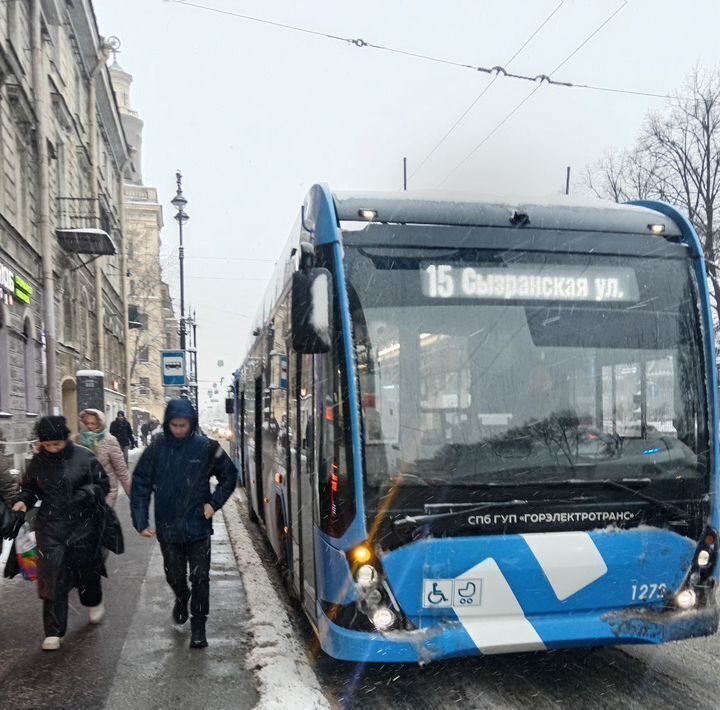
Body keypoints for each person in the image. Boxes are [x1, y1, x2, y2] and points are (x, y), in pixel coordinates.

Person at [130, 399, 237, 649]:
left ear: (192, 423)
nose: (179, 429)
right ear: (168, 424)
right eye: (175, 425)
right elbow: (141, 484)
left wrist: (213, 504)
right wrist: (140, 520)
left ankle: (199, 626)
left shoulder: (207, 448)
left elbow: (229, 475)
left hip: (198, 526)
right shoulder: (156, 449)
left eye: (184, 425)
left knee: (200, 578)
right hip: (167, 527)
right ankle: (181, 597)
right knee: (175, 575)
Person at [11, 416, 110, 651]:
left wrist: (87, 493)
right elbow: (30, 488)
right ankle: (54, 631)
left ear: (65, 440)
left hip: (83, 525)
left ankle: (93, 600)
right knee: (51, 576)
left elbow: (102, 484)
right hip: (51, 526)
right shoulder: (38, 462)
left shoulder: (84, 457)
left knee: (87, 569)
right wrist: (23, 501)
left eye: (57, 444)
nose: (52, 449)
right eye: (47, 445)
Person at [75, 409, 131, 507]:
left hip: (106, 491)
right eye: (87, 423)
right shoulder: (77, 440)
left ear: (100, 424)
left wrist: (134, 497)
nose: (90, 426)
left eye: (93, 423)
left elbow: (122, 471)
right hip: (83, 491)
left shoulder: (109, 441)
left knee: (101, 519)